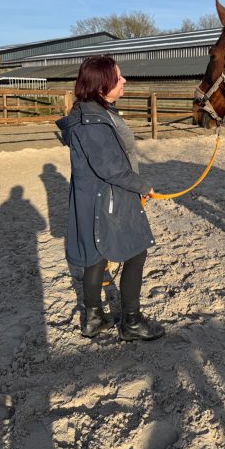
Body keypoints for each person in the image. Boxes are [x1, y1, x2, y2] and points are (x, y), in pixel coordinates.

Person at [56, 56, 164, 342]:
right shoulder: (92, 122)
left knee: (96, 255)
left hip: (99, 196)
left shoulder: (96, 112)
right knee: (136, 252)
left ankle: (94, 319)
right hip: (107, 198)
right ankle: (132, 322)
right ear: (102, 84)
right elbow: (111, 169)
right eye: (118, 77)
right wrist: (144, 186)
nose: (124, 80)